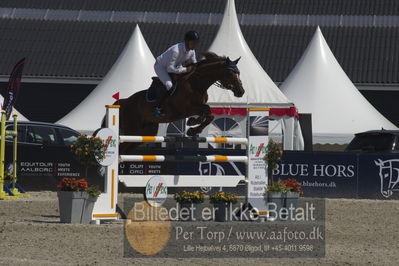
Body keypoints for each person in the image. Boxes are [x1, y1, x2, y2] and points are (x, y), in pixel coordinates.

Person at [153, 30, 199, 117]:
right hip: (161, 67)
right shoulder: (176, 50)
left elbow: (194, 64)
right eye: (193, 42)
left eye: (196, 43)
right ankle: (157, 108)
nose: (194, 45)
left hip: (175, 67)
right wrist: (185, 70)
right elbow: (170, 69)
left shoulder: (192, 51)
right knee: (169, 85)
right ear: (186, 41)